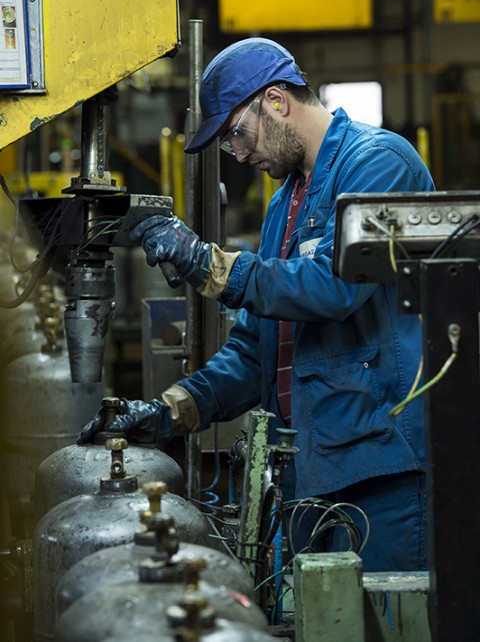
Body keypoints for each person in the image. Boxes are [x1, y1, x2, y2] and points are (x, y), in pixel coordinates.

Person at [79, 37, 435, 572]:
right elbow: (254, 351)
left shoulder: (379, 164)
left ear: (276, 100)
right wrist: (170, 411)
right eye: (228, 144)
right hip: (309, 475)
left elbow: (335, 287)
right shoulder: (281, 209)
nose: (240, 154)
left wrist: (210, 264)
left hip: (381, 473)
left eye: (236, 135)